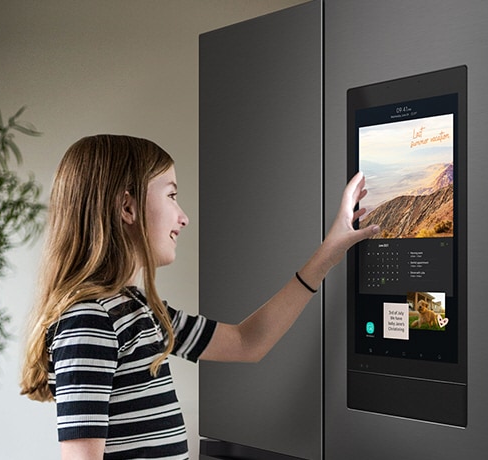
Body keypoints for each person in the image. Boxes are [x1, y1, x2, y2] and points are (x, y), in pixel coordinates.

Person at [20, 134, 380, 460]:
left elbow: (247, 342)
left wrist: (329, 252)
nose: (183, 217)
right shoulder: (90, 321)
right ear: (127, 207)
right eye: (172, 196)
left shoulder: (141, 310)